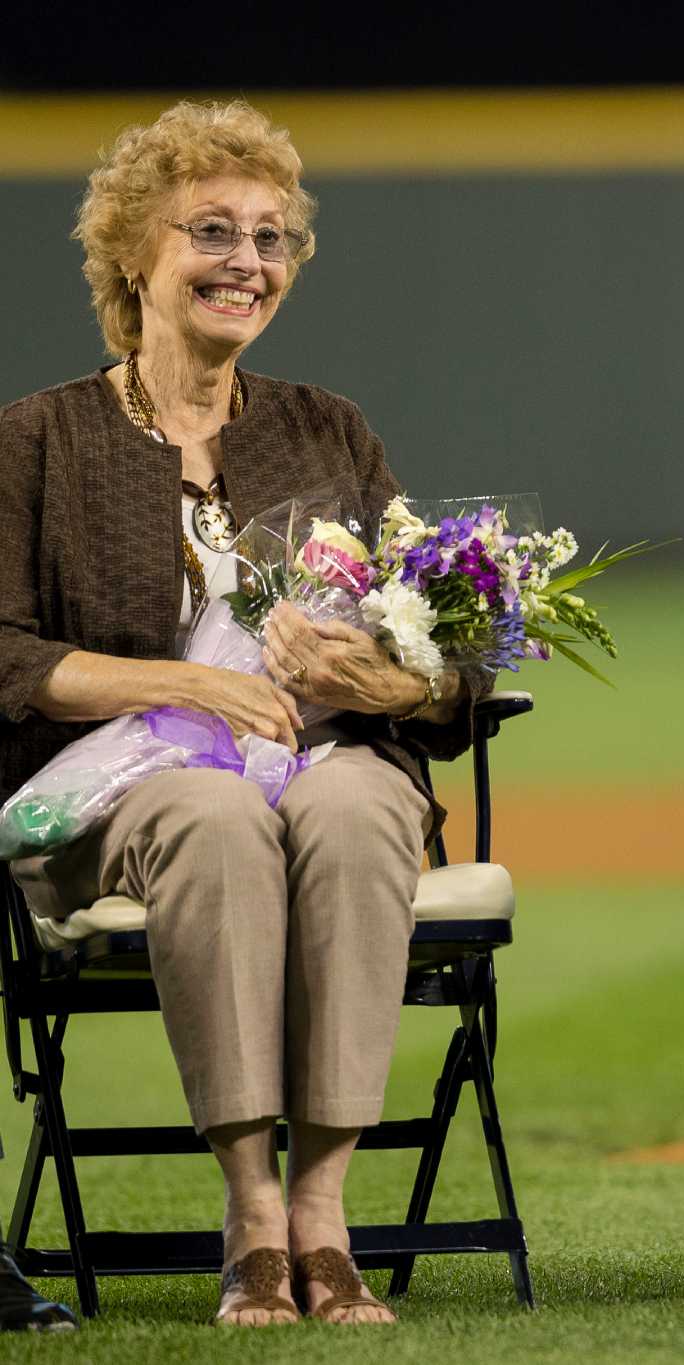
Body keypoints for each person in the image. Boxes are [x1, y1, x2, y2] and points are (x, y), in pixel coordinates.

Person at [0, 101, 474, 1326]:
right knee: (213, 815)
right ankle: (251, 1208)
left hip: (321, 763)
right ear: (131, 256)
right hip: (122, 792)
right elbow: (1, 656)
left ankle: (323, 1210)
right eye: (211, 231)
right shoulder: (36, 442)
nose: (247, 263)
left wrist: (401, 684)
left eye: (272, 239)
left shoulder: (328, 430)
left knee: (364, 805)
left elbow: (451, 657)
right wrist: (186, 683)